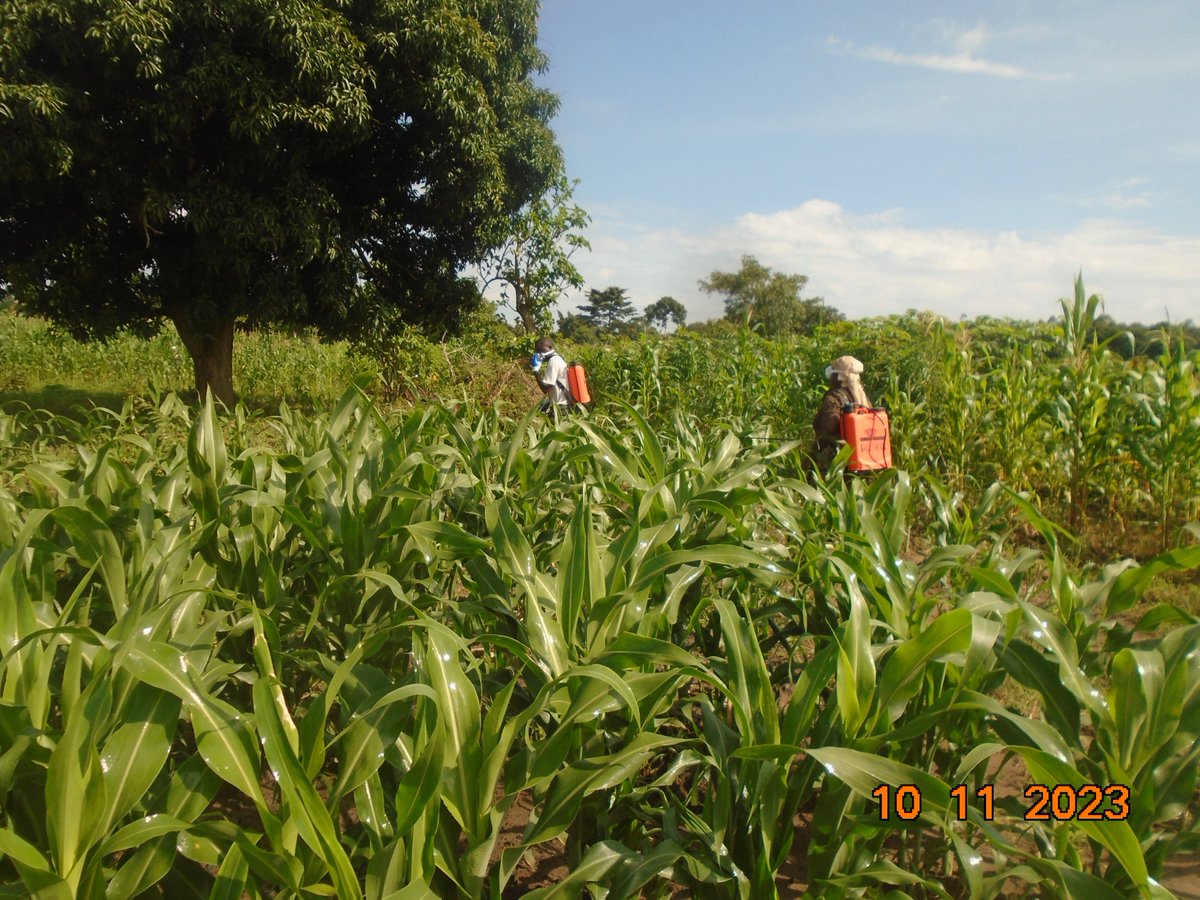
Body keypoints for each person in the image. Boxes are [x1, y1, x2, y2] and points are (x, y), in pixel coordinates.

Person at [812, 355, 871, 469]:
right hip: (862, 456)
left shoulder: (833, 397)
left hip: (837, 459)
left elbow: (829, 426)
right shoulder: (863, 398)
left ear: (836, 376)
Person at [531, 336, 570, 416]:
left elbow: (545, 388)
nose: (539, 354)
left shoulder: (553, 361)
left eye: (541, 350)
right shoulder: (558, 359)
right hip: (561, 405)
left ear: (550, 347)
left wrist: (535, 371)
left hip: (560, 408)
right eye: (537, 351)